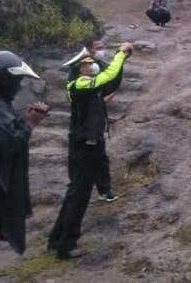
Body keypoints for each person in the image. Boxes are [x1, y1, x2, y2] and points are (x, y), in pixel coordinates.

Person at [48, 42, 133, 260]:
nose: (93, 65)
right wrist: (120, 53)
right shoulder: (80, 84)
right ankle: (66, 245)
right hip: (86, 144)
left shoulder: (87, 85)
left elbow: (113, 80)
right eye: (88, 63)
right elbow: (107, 76)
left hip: (85, 142)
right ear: (79, 70)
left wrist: (121, 61)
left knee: (74, 191)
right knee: (80, 194)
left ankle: (56, 238)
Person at [0, 51, 48, 275]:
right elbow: (1, 144)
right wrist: (29, 124)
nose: (18, 86)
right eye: (16, 81)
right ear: (4, 79)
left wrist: (22, 120)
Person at [64, 39, 118, 203]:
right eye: (98, 48)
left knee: (101, 158)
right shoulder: (77, 68)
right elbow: (70, 93)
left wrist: (101, 98)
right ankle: (75, 190)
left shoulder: (101, 65)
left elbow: (110, 82)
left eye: (103, 47)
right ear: (89, 49)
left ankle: (104, 190)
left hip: (96, 120)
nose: (102, 51)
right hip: (81, 122)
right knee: (77, 158)